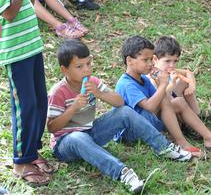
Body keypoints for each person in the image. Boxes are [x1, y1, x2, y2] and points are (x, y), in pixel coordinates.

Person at [47, 40, 192, 193]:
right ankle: (123, 173)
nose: (86, 70)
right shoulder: (58, 91)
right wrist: (73, 108)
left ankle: (163, 147)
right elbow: (52, 127)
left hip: (89, 132)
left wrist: (99, 93)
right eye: (79, 67)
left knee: (125, 111)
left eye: (88, 64)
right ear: (64, 70)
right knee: (77, 137)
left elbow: (119, 102)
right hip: (65, 144)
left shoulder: (93, 82)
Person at [115, 36, 211, 158]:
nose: (151, 63)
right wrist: (163, 84)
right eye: (145, 60)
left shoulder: (142, 79)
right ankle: (181, 142)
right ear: (130, 61)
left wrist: (160, 82)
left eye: (151, 59)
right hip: (130, 132)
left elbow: (164, 100)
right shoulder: (127, 84)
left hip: (146, 122)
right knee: (169, 99)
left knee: (178, 101)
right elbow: (150, 107)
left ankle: (209, 138)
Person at [0, 0, 54, 186]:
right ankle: (21, 162)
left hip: (32, 45)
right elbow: (9, 14)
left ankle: (31, 151)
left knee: (40, 101)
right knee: (25, 105)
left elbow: (28, 3)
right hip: (15, 53)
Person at [151, 36, 211, 124]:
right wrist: (171, 85)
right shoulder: (152, 76)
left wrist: (191, 85)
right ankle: (188, 124)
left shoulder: (168, 71)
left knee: (184, 81)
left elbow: (188, 73)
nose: (172, 65)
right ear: (155, 59)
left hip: (172, 102)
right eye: (167, 61)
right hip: (163, 111)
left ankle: (197, 115)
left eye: (175, 61)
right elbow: (160, 99)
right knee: (178, 101)